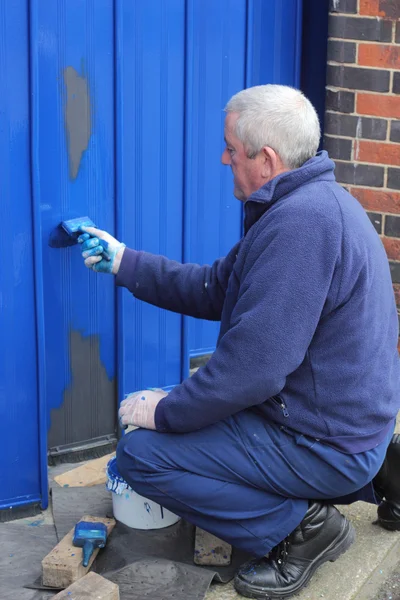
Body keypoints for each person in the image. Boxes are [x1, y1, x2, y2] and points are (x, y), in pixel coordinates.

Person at [78, 85, 400, 599]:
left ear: (266, 159)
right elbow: (215, 288)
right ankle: (383, 466)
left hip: (323, 437)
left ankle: (304, 530)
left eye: (231, 148)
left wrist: (163, 414)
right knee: (187, 403)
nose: (223, 157)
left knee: (143, 454)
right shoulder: (305, 203)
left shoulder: (301, 227)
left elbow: (251, 373)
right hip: (338, 417)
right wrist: (124, 261)